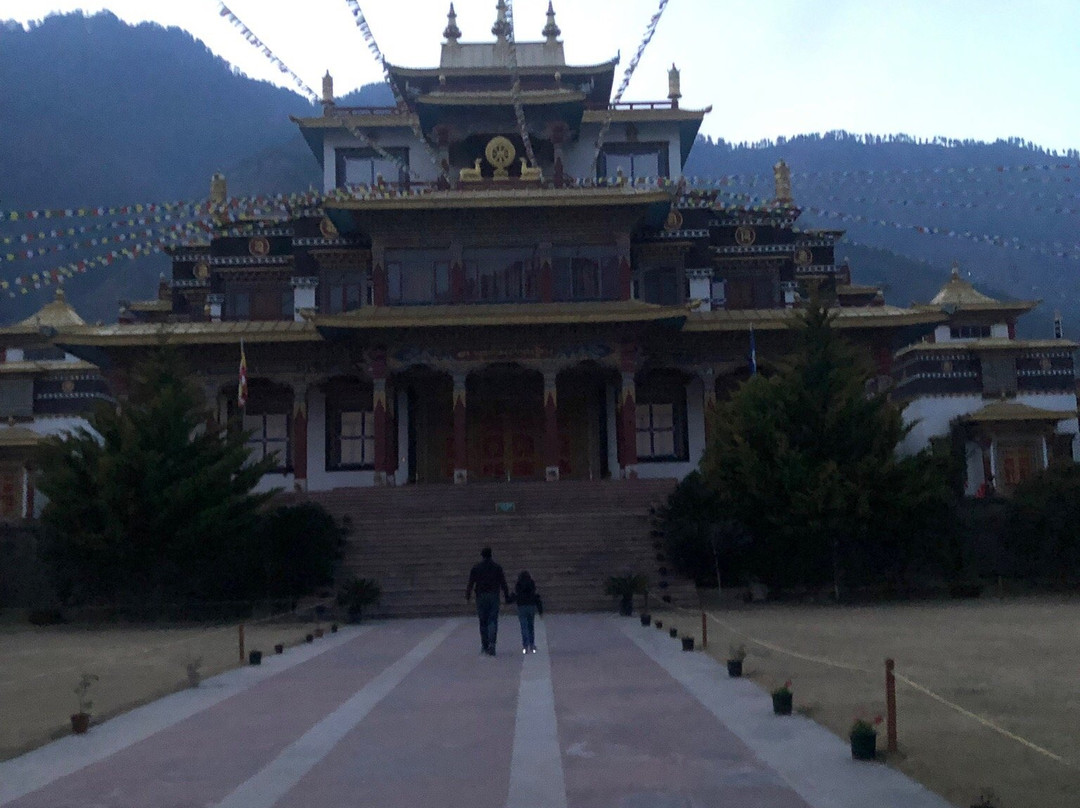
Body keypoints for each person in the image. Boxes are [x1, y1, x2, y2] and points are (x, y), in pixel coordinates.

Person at [465, 546, 510, 656]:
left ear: (482, 555)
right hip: (494, 595)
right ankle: (492, 644)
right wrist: (507, 596)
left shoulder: (476, 568)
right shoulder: (497, 567)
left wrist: (468, 595)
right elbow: (503, 583)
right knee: (492, 620)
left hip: (481, 596)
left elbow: (471, 582)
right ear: (491, 555)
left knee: (483, 620)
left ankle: (484, 645)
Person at [512, 570, 543, 654]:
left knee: (523, 626)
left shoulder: (519, 584)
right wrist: (540, 611)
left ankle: (525, 645)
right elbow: (536, 596)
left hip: (521, 606)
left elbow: (516, 594)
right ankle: (532, 644)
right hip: (531, 605)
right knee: (530, 626)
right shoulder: (531, 583)